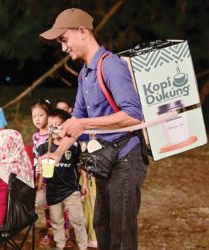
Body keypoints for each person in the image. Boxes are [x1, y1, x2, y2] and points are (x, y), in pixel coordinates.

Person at [39, 8, 148, 250]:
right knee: (102, 227)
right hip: (105, 160)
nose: (63, 48)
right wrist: (57, 154)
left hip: (126, 159)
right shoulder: (84, 75)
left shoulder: (111, 66)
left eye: (64, 40)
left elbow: (133, 115)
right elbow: (77, 121)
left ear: (82, 31)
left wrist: (85, 124)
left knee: (122, 234)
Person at [38, 109, 88, 250]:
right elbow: (42, 169)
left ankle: (83, 246)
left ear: (65, 126)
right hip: (53, 190)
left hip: (71, 189)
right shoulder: (44, 147)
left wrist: (84, 183)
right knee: (56, 221)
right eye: (50, 125)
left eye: (57, 125)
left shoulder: (73, 146)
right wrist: (40, 184)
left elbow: (81, 165)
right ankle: (60, 244)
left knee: (78, 220)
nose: (53, 129)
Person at [31, 100, 72, 248]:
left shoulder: (53, 134)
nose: (37, 119)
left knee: (63, 205)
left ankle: (65, 233)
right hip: (43, 175)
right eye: (34, 116)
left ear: (49, 117)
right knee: (48, 205)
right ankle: (51, 230)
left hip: (59, 173)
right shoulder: (35, 137)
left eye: (41, 115)